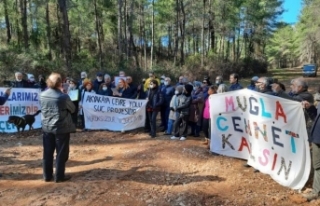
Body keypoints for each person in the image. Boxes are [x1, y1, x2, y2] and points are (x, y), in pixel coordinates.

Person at [40, 73, 75, 183]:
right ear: (60, 83)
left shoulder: (42, 94)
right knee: (61, 153)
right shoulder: (63, 97)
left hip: (46, 127)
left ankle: (47, 176)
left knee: (47, 152)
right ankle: (59, 176)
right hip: (61, 128)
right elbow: (73, 109)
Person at [302, 100, 320, 201]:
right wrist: (310, 108)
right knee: (317, 166)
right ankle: (316, 192)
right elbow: (316, 117)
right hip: (317, 138)